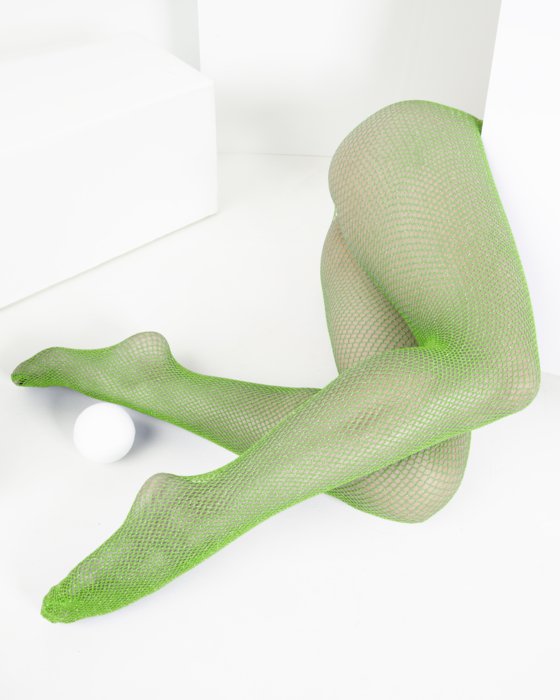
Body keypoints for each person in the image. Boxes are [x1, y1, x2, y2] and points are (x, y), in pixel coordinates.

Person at [12, 100, 540, 623]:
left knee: (415, 485)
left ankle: (151, 381)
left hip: (399, 238)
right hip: (415, 156)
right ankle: (202, 510)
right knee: (504, 373)